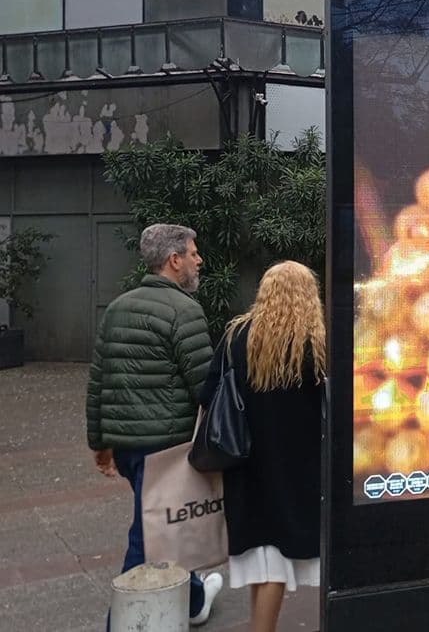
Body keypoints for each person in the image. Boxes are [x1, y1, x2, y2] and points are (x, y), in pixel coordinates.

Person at [87, 223, 223, 626]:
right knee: (148, 535)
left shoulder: (117, 308)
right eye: (194, 253)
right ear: (174, 260)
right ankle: (124, 621)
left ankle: (194, 599)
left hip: (128, 448)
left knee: (163, 521)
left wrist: (100, 442)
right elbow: (206, 387)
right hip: (165, 449)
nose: (199, 261)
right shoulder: (185, 311)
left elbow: (98, 380)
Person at [199, 261, 326, 632]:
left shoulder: (237, 336)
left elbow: (207, 394)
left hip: (244, 460)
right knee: (277, 557)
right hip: (297, 466)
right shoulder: (314, 344)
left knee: (262, 555)